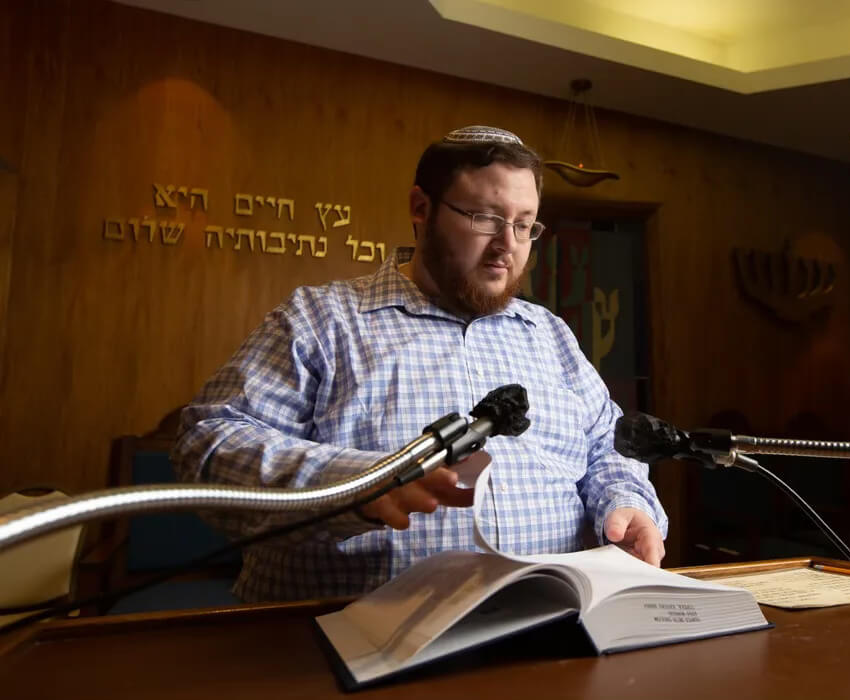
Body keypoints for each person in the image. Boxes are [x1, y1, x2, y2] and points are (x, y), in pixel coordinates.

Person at [174, 125, 668, 602]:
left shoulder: (551, 335)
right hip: (338, 635)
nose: (507, 246)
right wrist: (356, 485)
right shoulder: (321, 320)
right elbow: (209, 441)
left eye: (524, 225)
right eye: (484, 218)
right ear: (421, 209)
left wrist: (625, 503)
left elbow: (609, 443)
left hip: (548, 626)